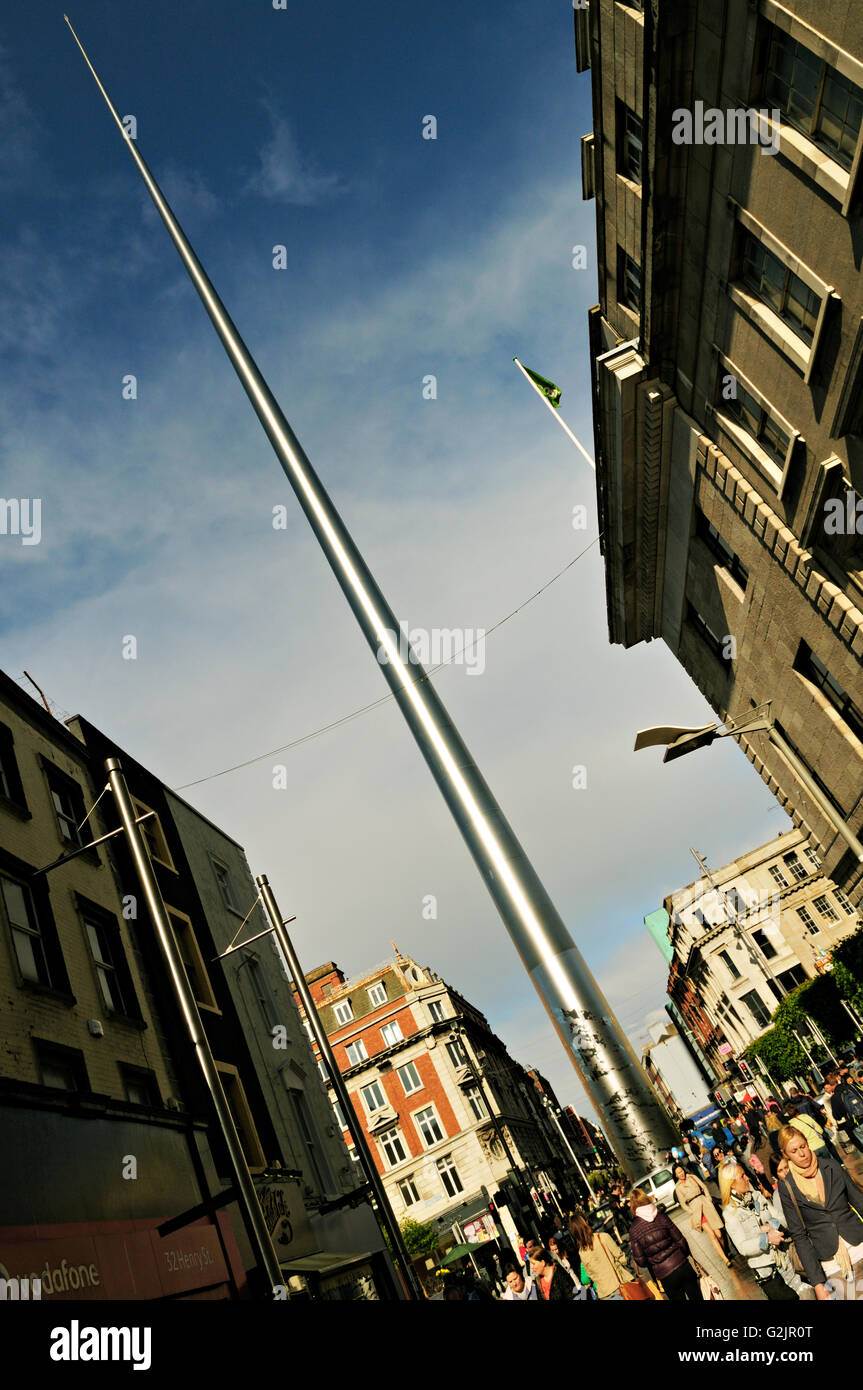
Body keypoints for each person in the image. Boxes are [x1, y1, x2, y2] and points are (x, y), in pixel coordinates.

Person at [778, 1123, 863, 1301]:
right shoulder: (787, 1187)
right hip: (833, 1264)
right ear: (785, 1154)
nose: (802, 1154)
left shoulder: (831, 1166)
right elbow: (799, 1236)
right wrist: (817, 1283)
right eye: (794, 1151)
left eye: (803, 1146)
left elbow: (859, 1201)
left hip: (859, 1244)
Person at [719, 1158, 804, 1300]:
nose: (747, 1178)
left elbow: (780, 1217)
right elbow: (742, 1247)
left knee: (803, 1292)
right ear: (732, 1184)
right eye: (742, 1176)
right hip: (767, 1271)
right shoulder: (730, 1213)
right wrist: (766, 1238)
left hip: (784, 1257)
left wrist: (772, 1225)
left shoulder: (757, 1196)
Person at [627, 1187, 700, 1300]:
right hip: (682, 1264)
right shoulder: (661, 1216)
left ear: (633, 1206)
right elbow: (681, 1240)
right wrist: (682, 1256)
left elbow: (641, 1261)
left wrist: (654, 1261)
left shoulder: (633, 1230)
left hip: (665, 1275)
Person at [672, 1163, 731, 1267]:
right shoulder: (678, 1187)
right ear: (675, 1175)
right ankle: (725, 1259)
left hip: (705, 1204)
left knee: (719, 1234)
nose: (681, 1174)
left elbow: (703, 1186)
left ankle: (724, 1251)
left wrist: (708, 1198)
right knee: (712, 1235)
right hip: (697, 1211)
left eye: (681, 1171)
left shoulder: (692, 1177)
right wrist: (691, 1212)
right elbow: (683, 1204)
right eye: (678, 1173)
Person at [569, 1209, 629, 1300]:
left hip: (603, 1293)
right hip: (619, 1287)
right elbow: (622, 1258)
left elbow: (589, 1275)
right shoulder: (603, 1237)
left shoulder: (581, 1252)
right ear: (587, 1222)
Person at [826, 1072, 863, 1154]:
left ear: (829, 1085)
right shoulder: (850, 1087)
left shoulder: (835, 1097)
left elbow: (837, 1116)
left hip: (855, 1124)